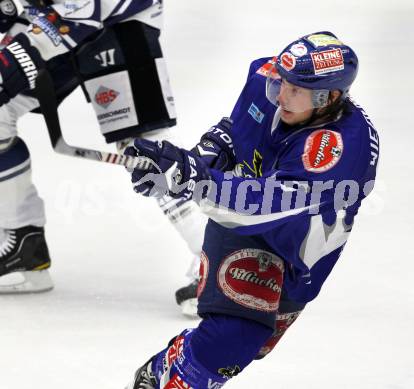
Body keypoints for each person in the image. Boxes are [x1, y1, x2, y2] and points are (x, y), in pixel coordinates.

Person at [124, 31, 380, 388]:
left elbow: (264, 207)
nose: (281, 96)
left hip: (293, 244)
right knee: (232, 339)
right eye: (282, 83)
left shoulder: (339, 149)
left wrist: (191, 178)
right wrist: (206, 156)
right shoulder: (267, 79)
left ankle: (174, 360)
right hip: (240, 228)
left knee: (255, 345)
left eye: (295, 91)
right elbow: (236, 128)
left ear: (329, 97)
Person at [0, 0, 208, 302]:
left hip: (118, 18)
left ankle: (221, 259)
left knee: (144, 149)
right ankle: (23, 248)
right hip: (54, 19)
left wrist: (25, 47)